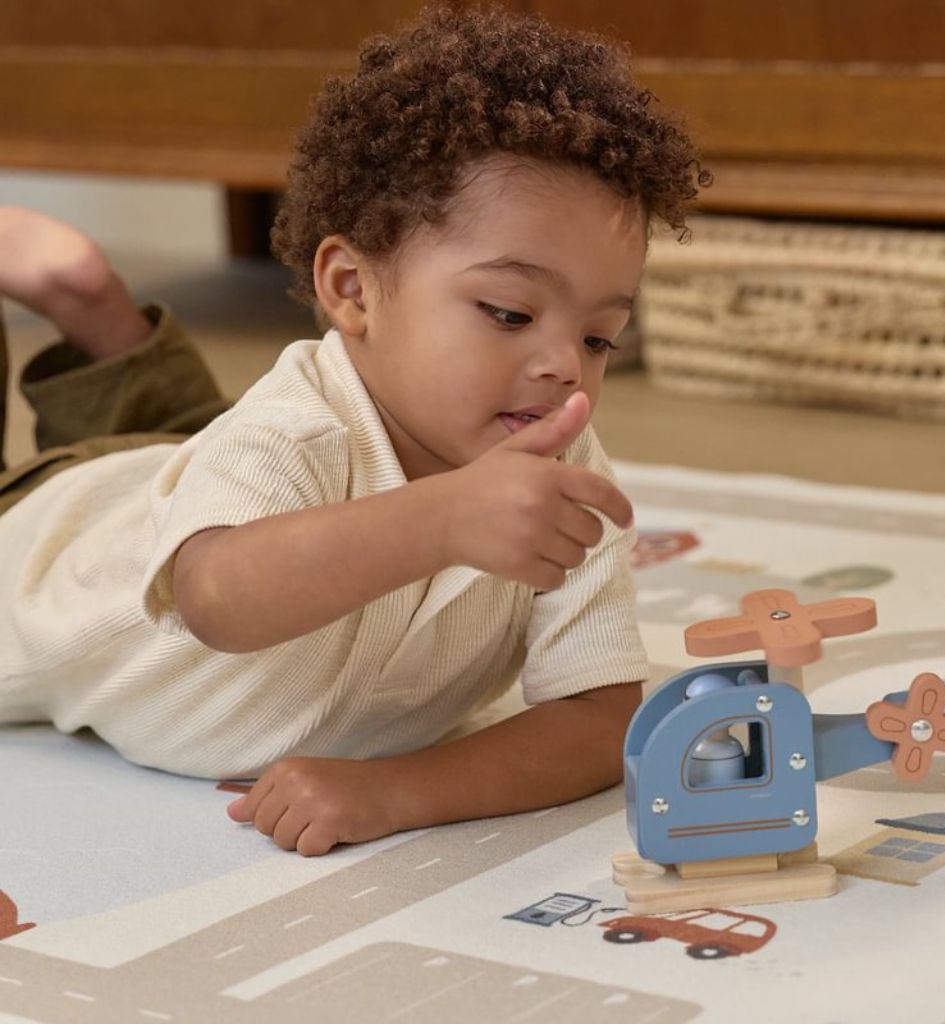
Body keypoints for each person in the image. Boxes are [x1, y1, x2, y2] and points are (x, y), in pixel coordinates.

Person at [0, 4, 700, 856]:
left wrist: (399, 790)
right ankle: (77, 296)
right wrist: (443, 517)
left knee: (182, 441)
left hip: (178, 470)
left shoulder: (564, 476)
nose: (564, 365)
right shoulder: (295, 431)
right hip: (43, 535)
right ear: (352, 289)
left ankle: (88, 301)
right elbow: (214, 595)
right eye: (510, 313)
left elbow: (600, 719)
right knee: (175, 455)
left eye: (598, 338)